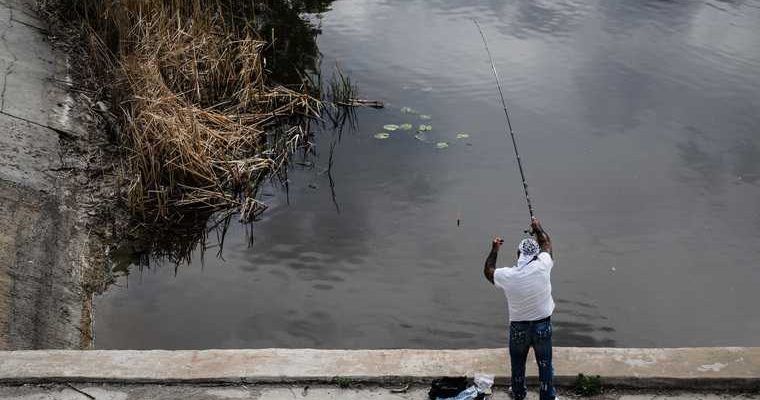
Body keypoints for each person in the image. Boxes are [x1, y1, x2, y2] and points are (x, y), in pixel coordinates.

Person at [484, 216, 556, 400]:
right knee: (545, 364)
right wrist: (538, 228)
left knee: (517, 364)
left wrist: (494, 249)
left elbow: (488, 271)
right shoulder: (544, 265)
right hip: (542, 326)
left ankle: (518, 393)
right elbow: (546, 243)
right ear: (536, 255)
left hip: (519, 329)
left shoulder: (508, 276)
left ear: (518, 254)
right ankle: (547, 396)